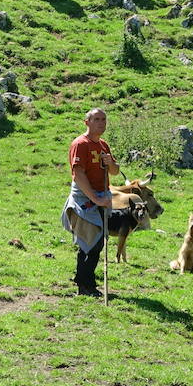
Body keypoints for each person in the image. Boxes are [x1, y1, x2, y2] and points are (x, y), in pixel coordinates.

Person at [60, 108, 121, 297]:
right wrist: (95, 198)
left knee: (98, 242)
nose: (101, 123)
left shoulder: (103, 145)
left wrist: (110, 162)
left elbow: (115, 172)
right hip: (86, 198)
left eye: (104, 119)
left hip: (102, 197)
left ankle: (87, 282)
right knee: (89, 241)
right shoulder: (80, 144)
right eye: (96, 119)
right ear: (87, 122)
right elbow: (78, 174)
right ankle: (84, 285)